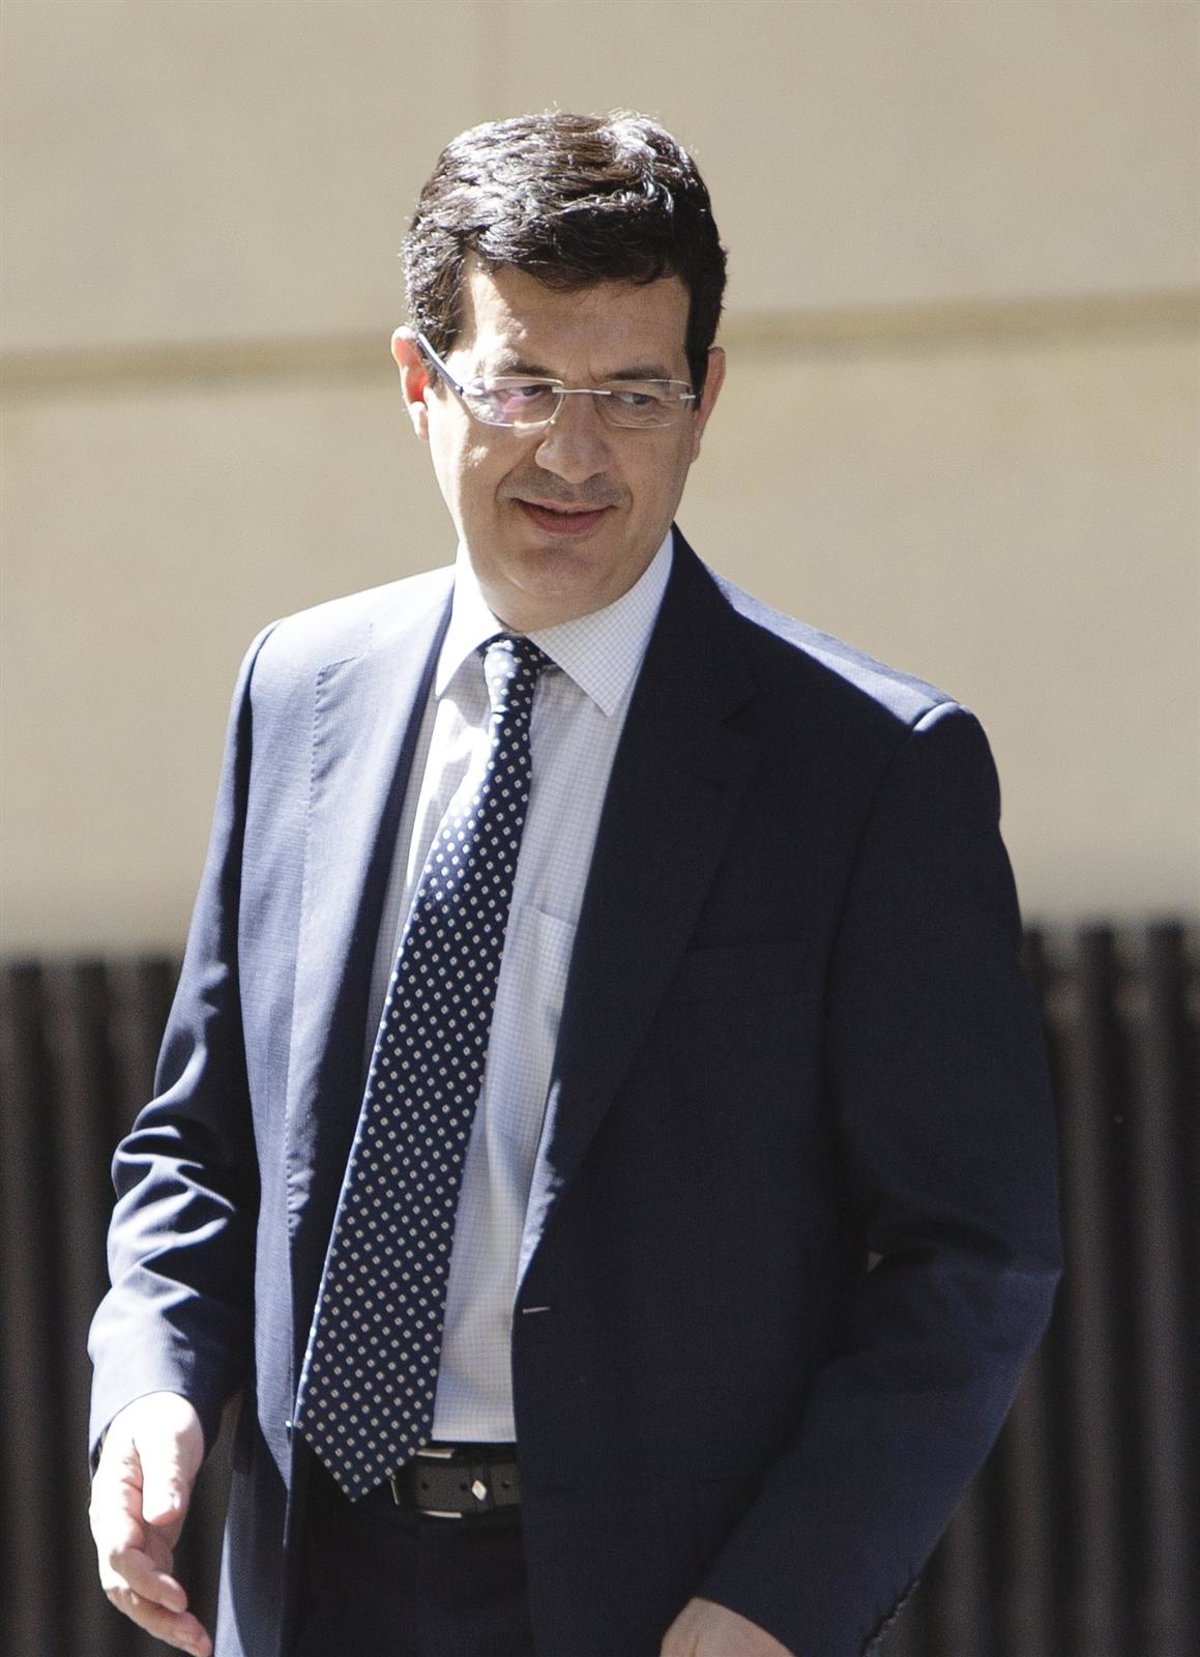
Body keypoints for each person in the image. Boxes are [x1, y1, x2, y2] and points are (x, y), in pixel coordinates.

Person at [88, 111, 1060, 1657]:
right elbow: (199, 1143)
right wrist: (151, 1386)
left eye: (633, 394)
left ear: (705, 400)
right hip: (306, 1577)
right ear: (419, 382)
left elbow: (973, 1253)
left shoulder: (873, 770)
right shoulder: (299, 690)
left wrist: (780, 1598)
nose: (575, 452)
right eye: (524, 384)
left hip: (659, 1604)